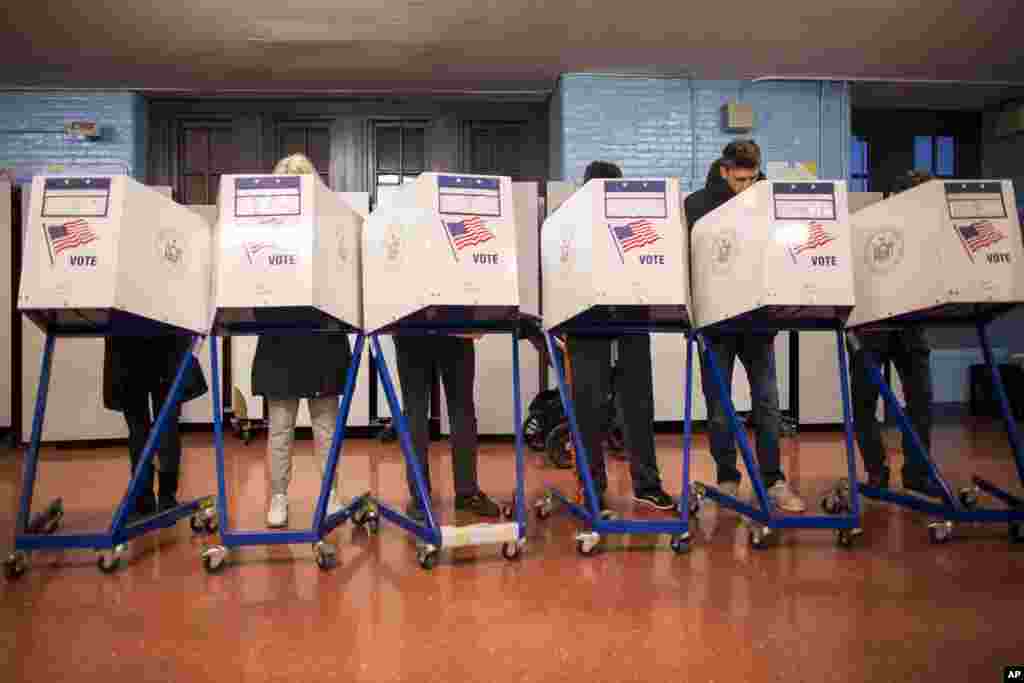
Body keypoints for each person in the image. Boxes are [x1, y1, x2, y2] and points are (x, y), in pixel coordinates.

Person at [684, 140, 806, 512]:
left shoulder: (767, 203)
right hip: (716, 323)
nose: (746, 187)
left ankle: (773, 480)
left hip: (758, 322)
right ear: (724, 170)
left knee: (767, 403)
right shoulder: (697, 205)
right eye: (739, 179)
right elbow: (691, 266)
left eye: (752, 179)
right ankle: (727, 477)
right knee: (719, 407)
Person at [561, 160, 677, 516]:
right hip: (587, 327)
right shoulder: (568, 223)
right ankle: (592, 488)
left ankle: (647, 484)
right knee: (588, 412)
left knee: (638, 408)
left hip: (630, 323)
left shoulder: (636, 221)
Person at [255, 153, 352, 528]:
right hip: (281, 335)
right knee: (280, 426)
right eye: (287, 179)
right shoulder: (264, 227)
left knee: (325, 427)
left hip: (321, 333)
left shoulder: (329, 223)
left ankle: (330, 494)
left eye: (300, 178)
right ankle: (278, 497)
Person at [847, 170, 941, 498]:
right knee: (864, 402)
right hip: (871, 325)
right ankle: (876, 472)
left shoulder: (929, 231)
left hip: (912, 324)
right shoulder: (865, 224)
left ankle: (917, 474)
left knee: (921, 400)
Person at [393, 333, 501, 523]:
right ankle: (462, 493)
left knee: (419, 411)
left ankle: (425, 497)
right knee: (458, 409)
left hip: (418, 323)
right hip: (446, 321)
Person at [103, 334, 208, 523]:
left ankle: (146, 500)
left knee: (143, 428)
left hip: (131, 341)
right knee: (163, 426)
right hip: (160, 336)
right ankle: (164, 498)